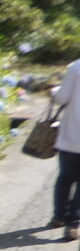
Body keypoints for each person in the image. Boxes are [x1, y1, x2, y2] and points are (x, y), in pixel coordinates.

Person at [50, 59, 80, 240]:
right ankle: (75, 222)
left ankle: (59, 216)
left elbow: (61, 98)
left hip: (71, 135)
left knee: (65, 177)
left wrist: (53, 92)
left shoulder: (75, 67)